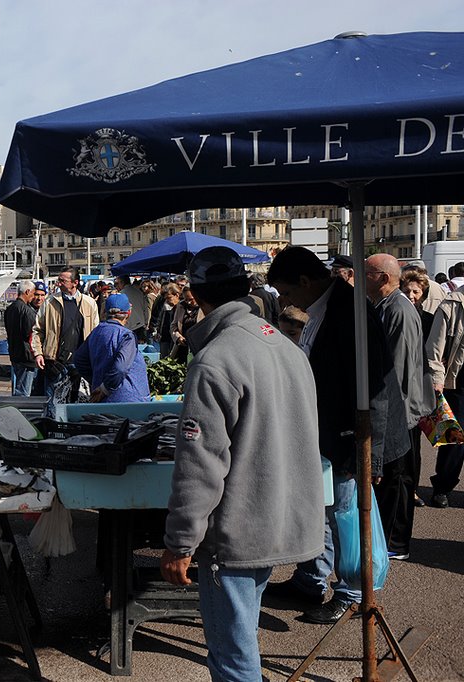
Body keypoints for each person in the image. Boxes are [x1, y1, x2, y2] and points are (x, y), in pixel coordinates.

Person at [160, 247, 324, 681]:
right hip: (281, 519)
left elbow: (200, 464)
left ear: (195, 296)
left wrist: (180, 543)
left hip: (238, 533)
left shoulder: (216, 359)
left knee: (233, 656)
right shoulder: (285, 345)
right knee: (243, 639)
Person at [265, 247, 409, 624]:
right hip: (328, 430)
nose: (287, 301)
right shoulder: (324, 306)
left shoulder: (351, 311)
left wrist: (370, 456)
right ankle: (309, 579)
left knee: (345, 512)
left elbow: (373, 391)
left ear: (305, 281)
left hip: (352, 435)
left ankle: (351, 591)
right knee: (321, 508)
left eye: (288, 293)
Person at [365, 254, 430, 560]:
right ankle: (390, 539)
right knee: (392, 480)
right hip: (395, 409)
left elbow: (397, 368)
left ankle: (396, 543)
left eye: (367, 273)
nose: (361, 279)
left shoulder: (398, 309)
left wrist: (391, 415)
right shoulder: (387, 306)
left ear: (382, 277)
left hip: (400, 411)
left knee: (399, 479)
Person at [31, 268, 100, 415]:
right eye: (59, 280)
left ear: (75, 283)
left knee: (80, 401)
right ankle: (52, 430)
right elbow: (37, 330)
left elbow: (96, 333)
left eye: (63, 280)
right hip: (55, 362)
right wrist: (38, 354)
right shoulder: (50, 302)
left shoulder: (89, 303)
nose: (58, 283)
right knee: (52, 403)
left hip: (81, 364)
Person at [425, 284, 464, 508]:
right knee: (454, 440)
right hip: (456, 382)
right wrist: (437, 379)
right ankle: (442, 487)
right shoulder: (452, 304)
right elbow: (434, 348)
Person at [73, 293, 151, 403]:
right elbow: (121, 368)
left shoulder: (96, 331)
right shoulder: (126, 336)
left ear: (105, 312)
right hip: (128, 401)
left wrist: (97, 380)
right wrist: (104, 388)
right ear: (128, 313)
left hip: (104, 401)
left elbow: (79, 360)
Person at [4, 280, 38, 396]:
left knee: (18, 387)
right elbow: (31, 334)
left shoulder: (10, 309)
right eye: (33, 294)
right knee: (24, 391)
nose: (33, 297)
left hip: (14, 352)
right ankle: (21, 411)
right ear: (27, 292)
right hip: (26, 355)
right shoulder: (27, 311)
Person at [169, 286, 202, 361]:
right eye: (186, 299)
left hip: (198, 346)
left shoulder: (204, 307)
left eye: (191, 299)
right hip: (182, 347)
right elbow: (173, 325)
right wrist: (178, 337)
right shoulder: (180, 306)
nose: (188, 302)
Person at [400, 269, 436, 339]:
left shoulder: (429, 320)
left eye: (415, 292)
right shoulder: (395, 316)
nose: (410, 296)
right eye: (406, 291)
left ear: (423, 295)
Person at [149, 282, 181, 357]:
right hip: (165, 339)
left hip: (177, 341)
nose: (167, 301)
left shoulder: (182, 308)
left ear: (177, 295)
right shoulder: (166, 307)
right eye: (166, 298)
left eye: (169, 298)